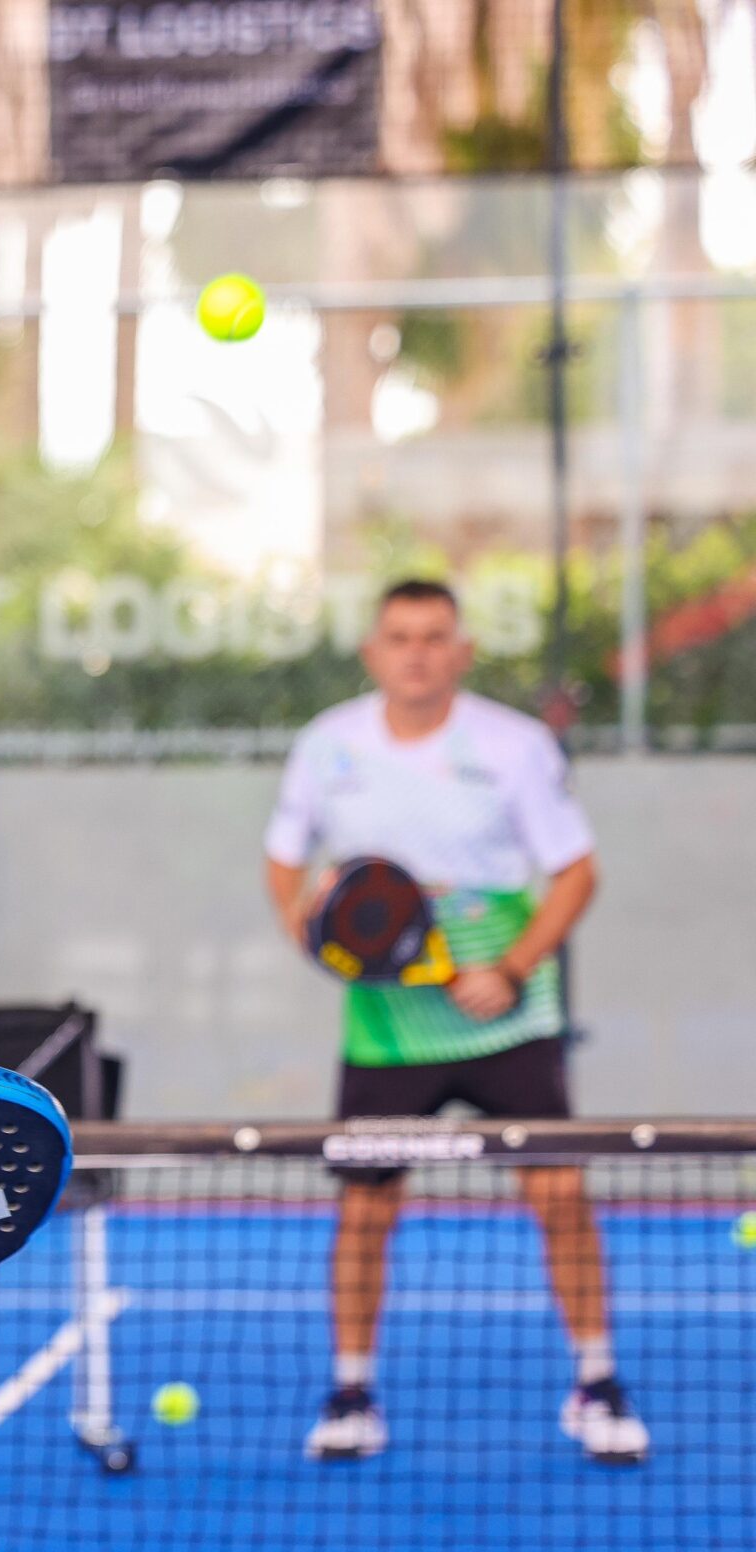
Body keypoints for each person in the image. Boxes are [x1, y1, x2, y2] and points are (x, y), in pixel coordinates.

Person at [261, 579, 646, 1466]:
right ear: (374, 651)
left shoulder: (513, 747)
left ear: (462, 651)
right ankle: (352, 1389)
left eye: (435, 636)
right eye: (400, 636)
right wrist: (311, 932)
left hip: (507, 1018)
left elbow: (576, 871)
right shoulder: (327, 747)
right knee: (365, 1211)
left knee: (559, 1197)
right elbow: (285, 861)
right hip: (387, 1028)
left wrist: (510, 968)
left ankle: (597, 1381)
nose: (417, 653)